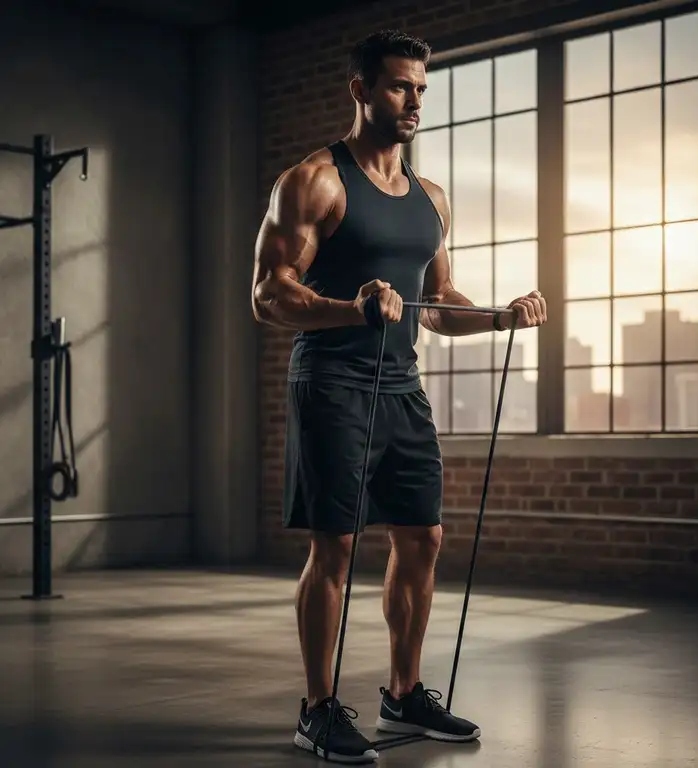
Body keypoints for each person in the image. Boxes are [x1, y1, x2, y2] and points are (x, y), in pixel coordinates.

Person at [251, 28, 547, 764]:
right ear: (360, 89)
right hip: (332, 383)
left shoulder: (430, 200)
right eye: (398, 86)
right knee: (336, 547)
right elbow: (268, 295)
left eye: (420, 89)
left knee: (423, 537)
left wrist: (499, 317)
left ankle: (403, 694)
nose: (414, 101)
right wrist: (353, 308)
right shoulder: (314, 181)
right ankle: (317, 710)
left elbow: (439, 304)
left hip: (401, 388)